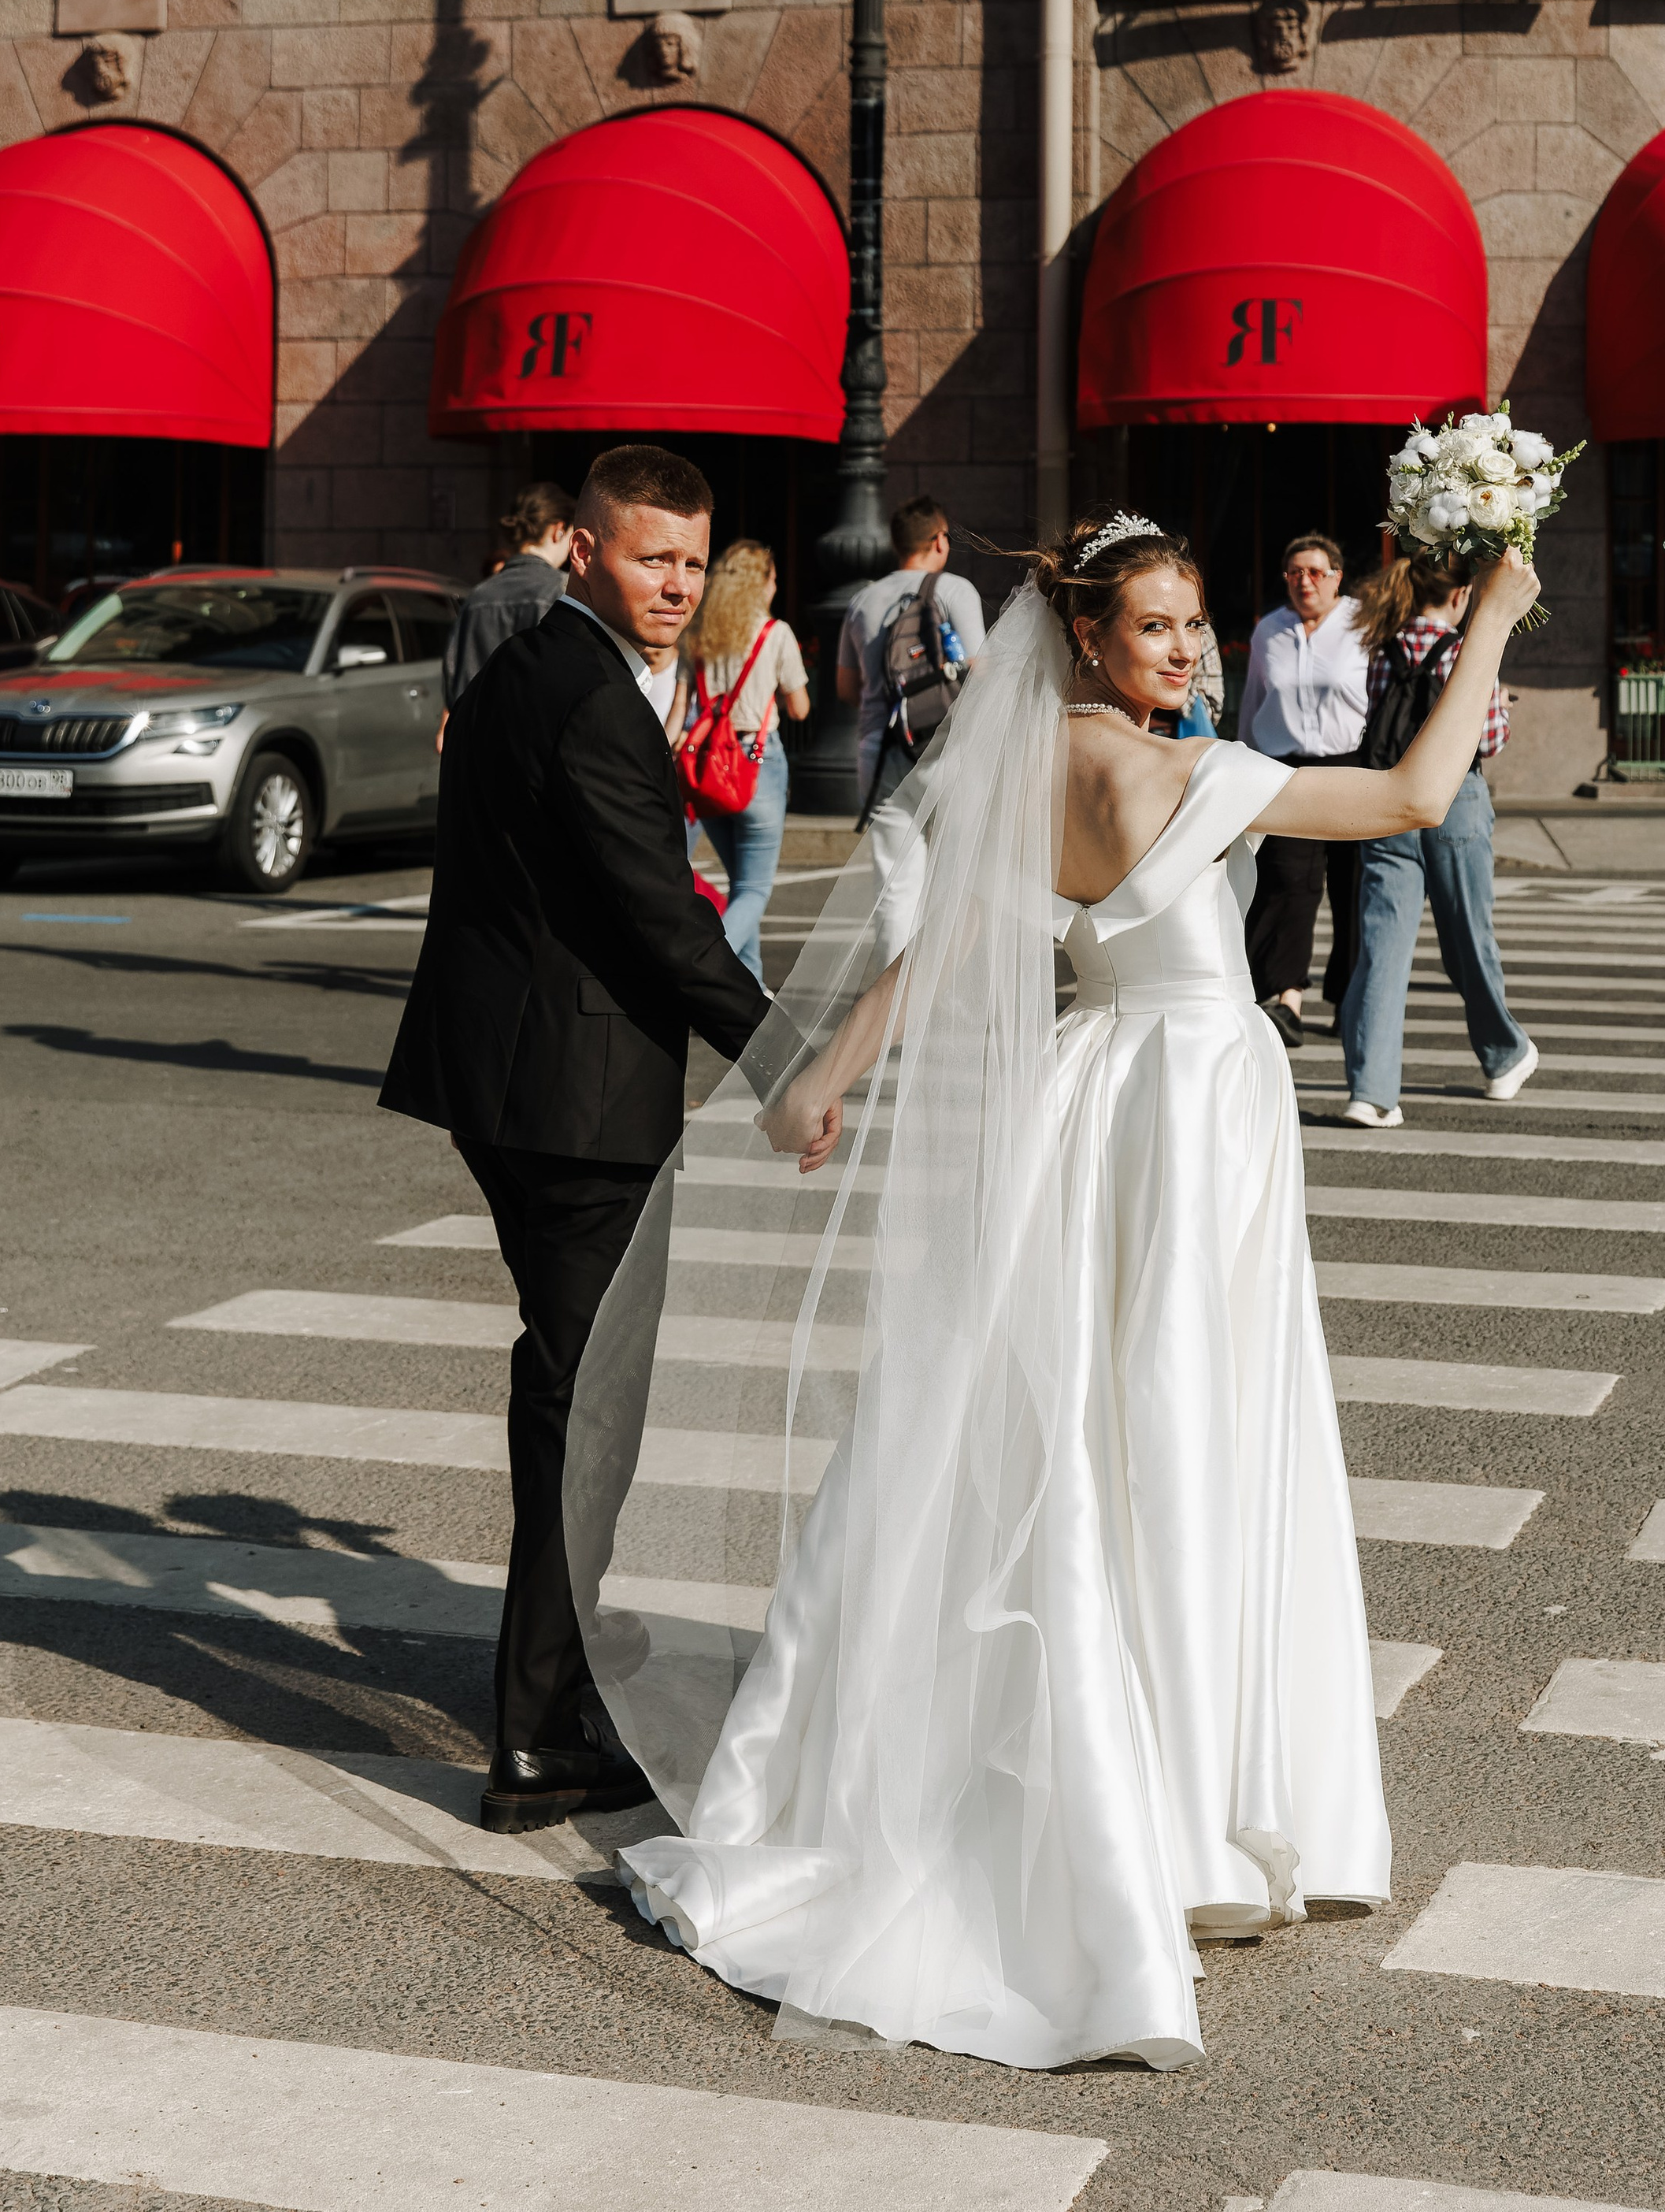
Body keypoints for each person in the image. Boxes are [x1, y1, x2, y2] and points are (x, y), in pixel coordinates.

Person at [566, 510, 1540, 2069]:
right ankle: (1195, 1814)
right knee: (1182, 1424)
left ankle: (1124, 1781)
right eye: (1153, 625)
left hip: (1087, 1114)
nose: (1183, 648)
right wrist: (1492, 610)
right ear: (1084, 636)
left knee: (1089, 1425)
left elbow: (939, 953)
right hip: (1196, 1121)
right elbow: (1417, 791)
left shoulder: (1027, 773)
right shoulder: (1187, 778)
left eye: (1191, 627)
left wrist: (821, 1077)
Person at [380, 444, 776, 1836]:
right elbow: (659, 924)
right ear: (587, 550)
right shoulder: (590, 698)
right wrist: (788, 1060)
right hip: (576, 1100)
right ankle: (538, 1737)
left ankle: (558, 1694)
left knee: (568, 1392)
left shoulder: (524, 668)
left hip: (503, 1079)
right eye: (649, 557)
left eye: (691, 560)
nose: (674, 584)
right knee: (583, 1405)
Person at [1337, 555, 1537, 1130]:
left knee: (1383, 947)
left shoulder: (1383, 650)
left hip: (1389, 801)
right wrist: (1498, 706)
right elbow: (1489, 739)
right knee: (1468, 939)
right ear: (1460, 596)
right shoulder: (1461, 650)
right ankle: (1503, 1057)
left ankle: (1371, 1092)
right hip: (1455, 803)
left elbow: (1373, 723)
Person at [1237, 533, 1370, 1037]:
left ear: (1337, 576)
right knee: (1287, 884)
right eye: (1294, 572)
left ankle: (1350, 1000)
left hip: (1352, 766)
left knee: (1352, 885)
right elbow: (1254, 702)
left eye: (1315, 571)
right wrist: (1244, 766)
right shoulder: (1269, 630)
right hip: (1286, 770)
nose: (1304, 581)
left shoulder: (1363, 623)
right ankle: (1286, 997)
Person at [673, 540, 810, 984]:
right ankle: (699, 972)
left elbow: (679, 714)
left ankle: (750, 985)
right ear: (762, 583)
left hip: (707, 770)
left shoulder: (697, 633)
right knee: (753, 890)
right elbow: (800, 708)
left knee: (740, 886)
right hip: (758, 763)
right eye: (773, 578)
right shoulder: (775, 634)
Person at [836, 495, 986, 818]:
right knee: (952, 864)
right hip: (945, 744)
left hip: (880, 747)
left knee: (893, 867)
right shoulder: (955, 590)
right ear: (939, 541)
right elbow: (978, 669)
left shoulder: (862, 600)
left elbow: (846, 689)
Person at [436, 481, 576, 752]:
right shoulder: (562, 591)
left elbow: (455, 681)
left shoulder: (478, 596)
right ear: (559, 530)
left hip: (479, 749)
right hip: (539, 753)